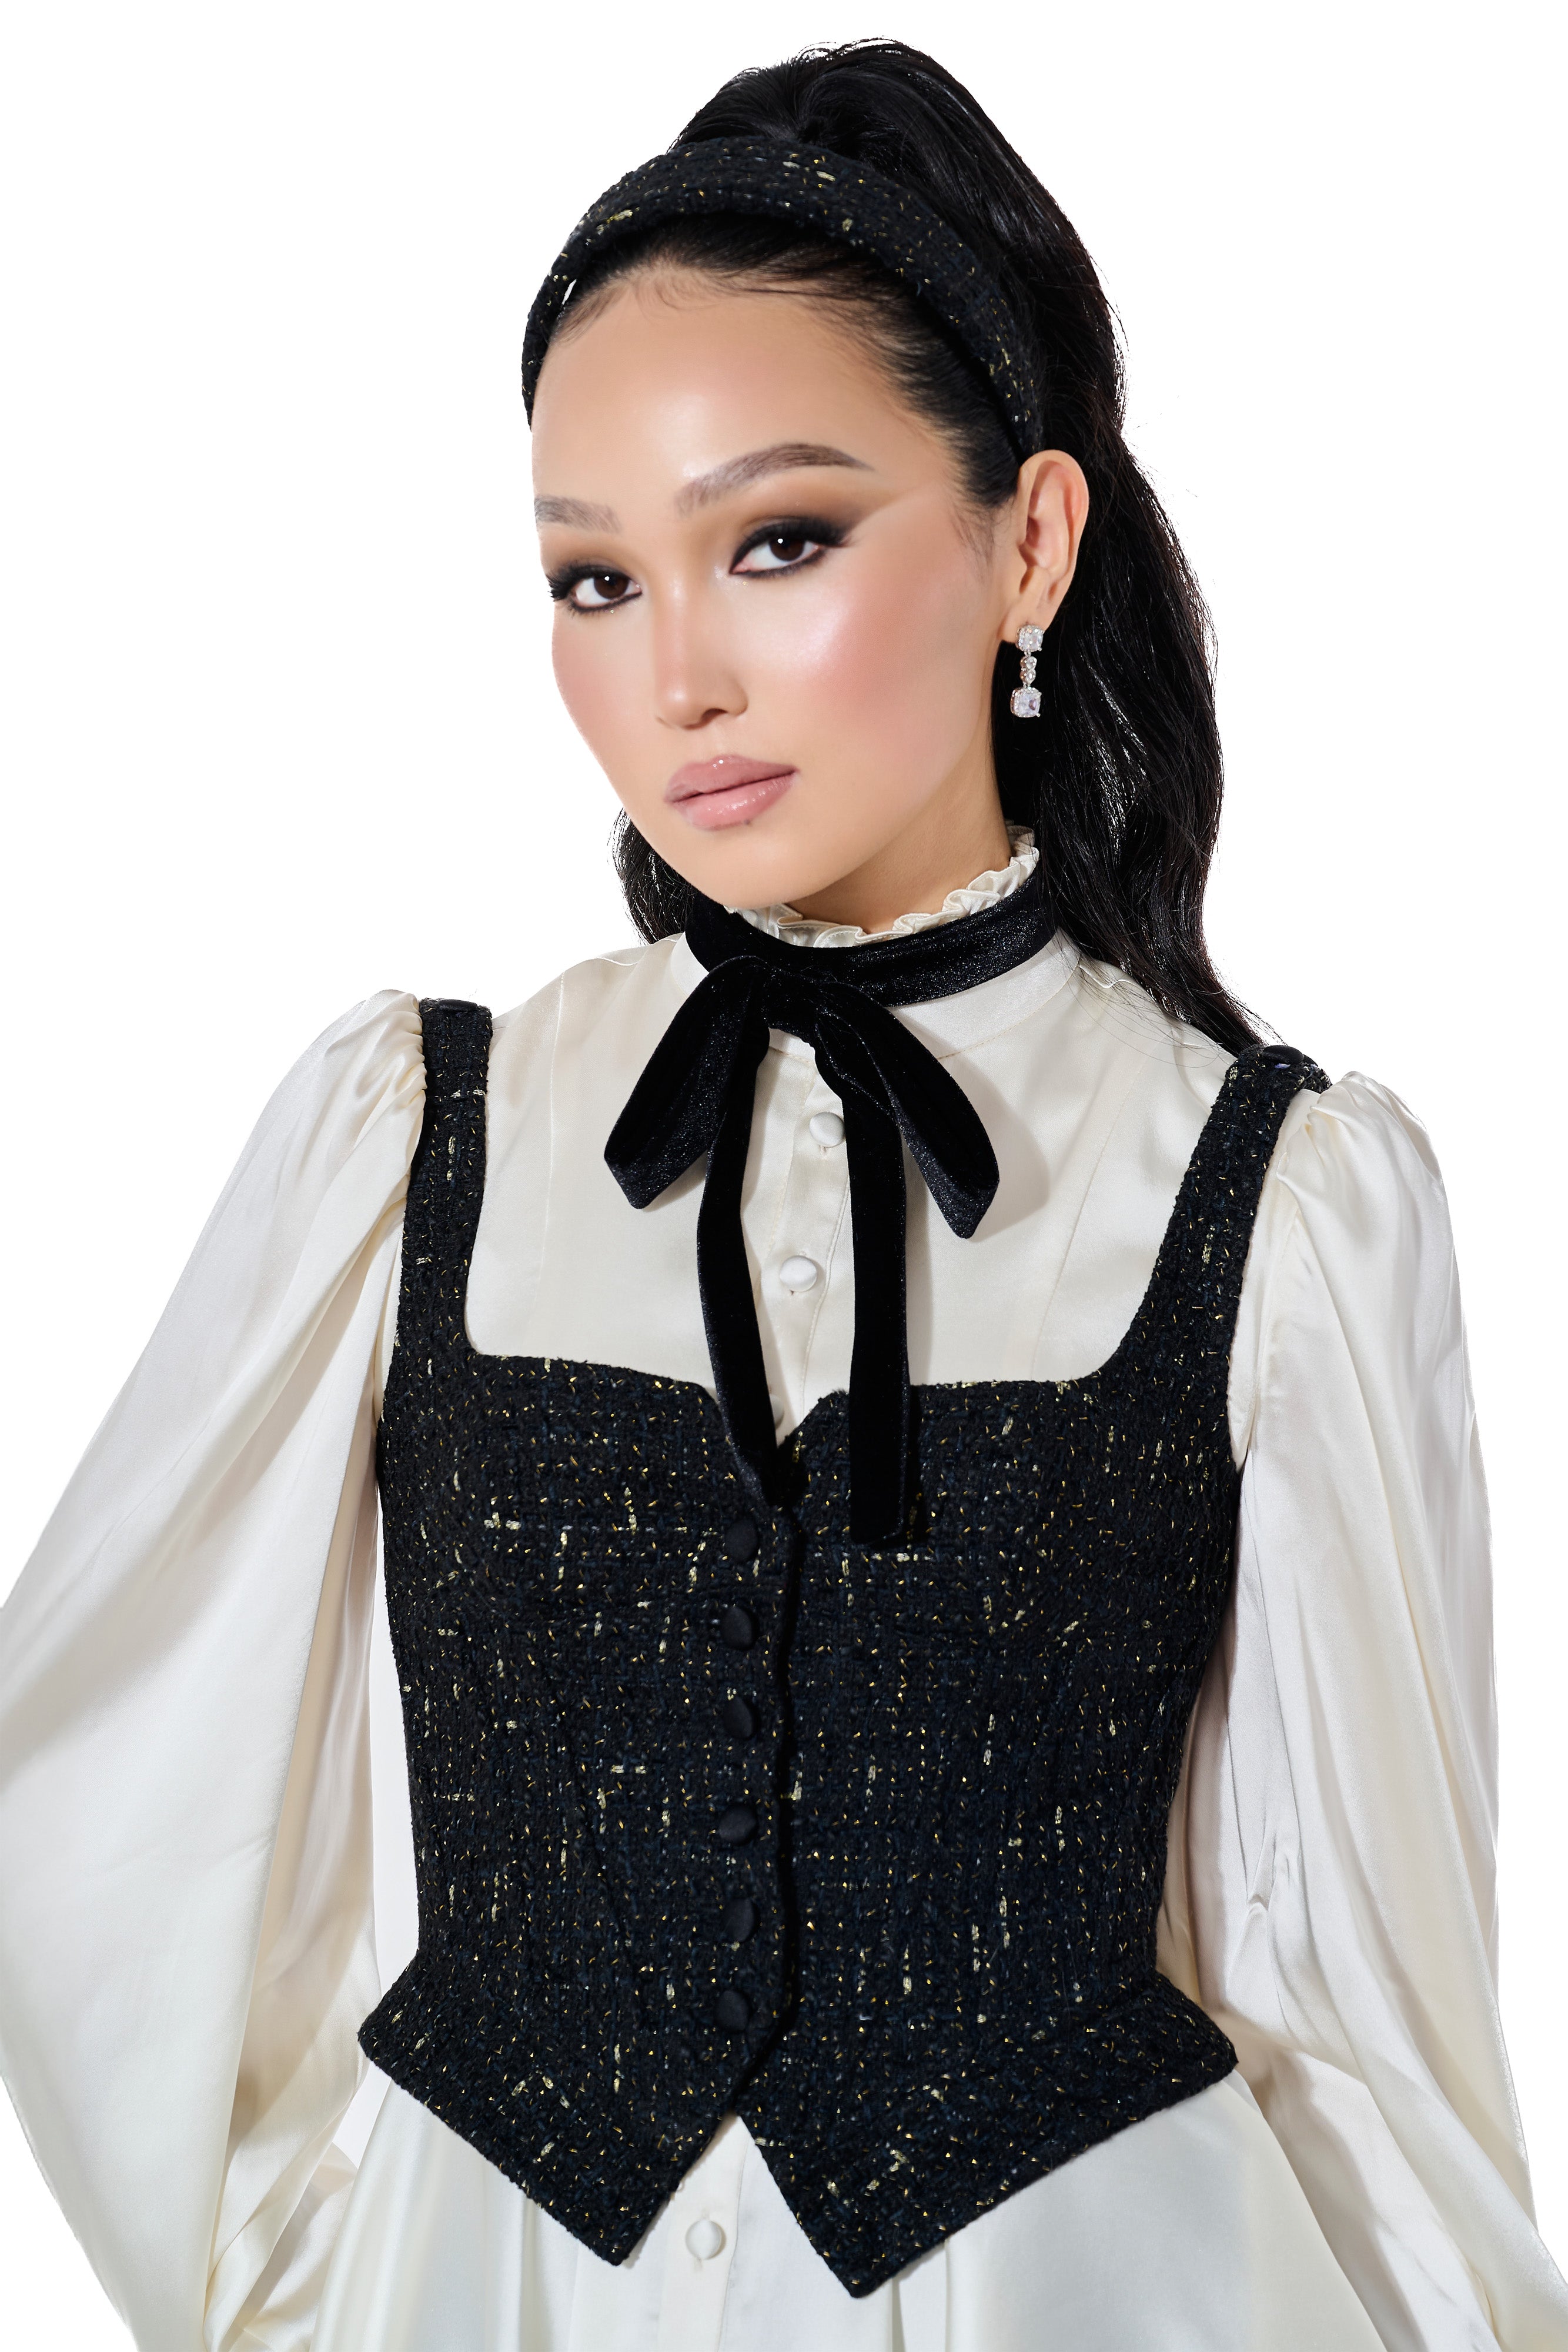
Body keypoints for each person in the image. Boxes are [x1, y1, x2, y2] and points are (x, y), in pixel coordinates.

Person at [1, 38, 1563, 2352]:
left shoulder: (1278, 1200)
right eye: (592, 577)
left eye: (780, 542)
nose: (678, 676)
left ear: (1030, 542)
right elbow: (96, 1804)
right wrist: (318, 2285)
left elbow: (1371, 2008)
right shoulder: (419, 1139)